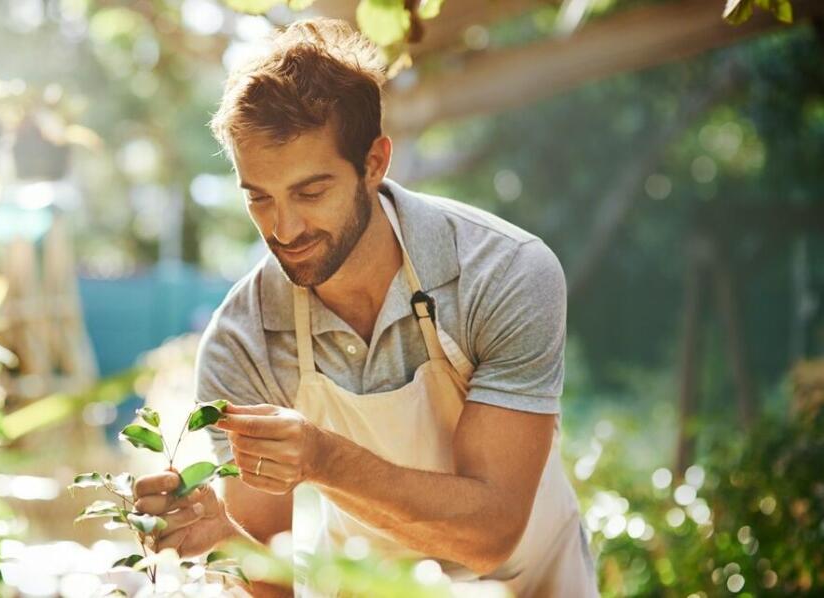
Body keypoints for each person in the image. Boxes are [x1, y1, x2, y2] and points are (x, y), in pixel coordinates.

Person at [132, 17, 598, 597]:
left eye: (310, 191)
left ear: (375, 163)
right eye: (259, 198)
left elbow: (490, 536)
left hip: (531, 583)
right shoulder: (243, 341)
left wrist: (324, 459)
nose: (284, 228)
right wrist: (221, 536)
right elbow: (272, 584)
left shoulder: (503, 273)